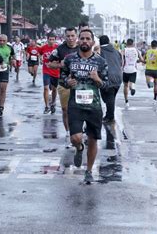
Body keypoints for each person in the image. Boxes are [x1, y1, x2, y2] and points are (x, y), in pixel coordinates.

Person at [61, 29, 108, 184]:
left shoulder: (101, 62)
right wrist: (67, 82)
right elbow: (62, 78)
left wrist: (97, 79)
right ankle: (79, 148)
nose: (85, 41)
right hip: (75, 105)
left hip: (93, 106)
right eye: (82, 38)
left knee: (93, 139)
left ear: (93, 42)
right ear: (78, 41)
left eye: (88, 39)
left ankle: (88, 171)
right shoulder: (69, 59)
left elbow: (106, 85)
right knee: (75, 137)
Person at [48, 27, 79, 136]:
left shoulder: (82, 48)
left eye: (72, 36)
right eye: (68, 36)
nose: (70, 38)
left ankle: (79, 129)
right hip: (64, 84)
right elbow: (49, 63)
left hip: (80, 85)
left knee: (79, 110)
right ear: (65, 37)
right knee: (65, 110)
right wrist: (59, 65)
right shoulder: (59, 49)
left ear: (76, 36)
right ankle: (68, 132)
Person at [98, 35, 123, 123]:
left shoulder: (100, 51)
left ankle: (110, 116)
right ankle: (109, 114)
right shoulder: (116, 51)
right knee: (110, 97)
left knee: (108, 97)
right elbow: (121, 63)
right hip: (118, 77)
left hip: (108, 77)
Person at [0, 34, 16, 116]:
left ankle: (1, 107)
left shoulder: (10, 47)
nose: (2, 42)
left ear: (7, 41)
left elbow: (13, 56)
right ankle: (0, 99)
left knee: (3, 89)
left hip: (4, 69)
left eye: (4, 41)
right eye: (0, 40)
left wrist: (13, 61)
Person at [39, 34, 59, 114]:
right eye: (50, 39)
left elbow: (61, 58)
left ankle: (53, 103)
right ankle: (47, 106)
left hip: (55, 71)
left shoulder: (58, 48)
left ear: (55, 40)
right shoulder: (43, 47)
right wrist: (41, 59)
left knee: (54, 89)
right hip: (46, 71)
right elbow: (40, 53)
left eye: (53, 39)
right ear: (47, 40)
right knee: (46, 88)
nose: (51, 41)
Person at [121, 38, 143, 107]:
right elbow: (141, 59)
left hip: (125, 70)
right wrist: (138, 61)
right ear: (133, 43)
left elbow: (121, 60)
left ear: (126, 43)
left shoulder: (123, 50)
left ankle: (126, 101)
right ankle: (132, 88)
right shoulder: (136, 50)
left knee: (125, 85)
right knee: (131, 83)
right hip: (133, 69)